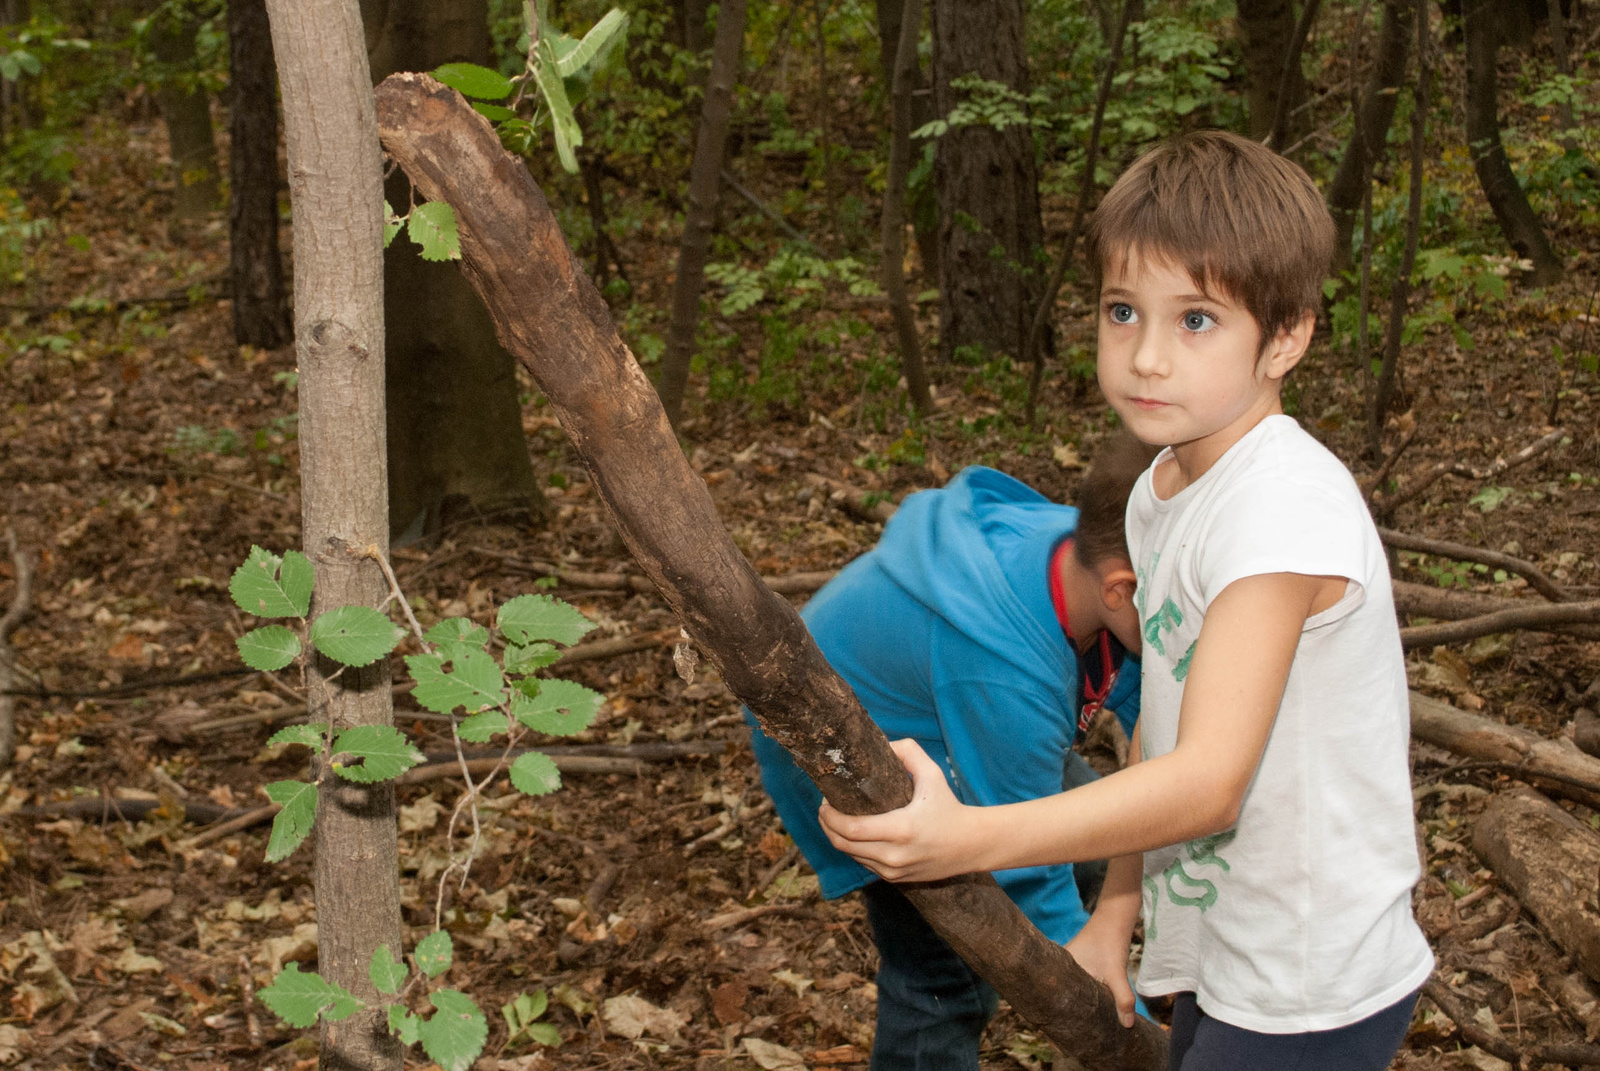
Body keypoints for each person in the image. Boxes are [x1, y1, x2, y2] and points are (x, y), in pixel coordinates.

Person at [819, 130, 1433, 1071]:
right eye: (1121, 311)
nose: (1146, 357)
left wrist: (965, 838)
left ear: (1287, 337)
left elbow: (1208, 779)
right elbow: (1168, 718)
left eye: (1195, 321)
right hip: (1227, 951)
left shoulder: (1283, 509)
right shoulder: (1161, 492)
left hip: (1309, 979)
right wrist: (1116, 914)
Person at [746, 433, 1156, 1071]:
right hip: (852, 757)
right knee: (945, 975)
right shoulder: (1005, 671)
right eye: (1186, 611)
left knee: (1102, 842)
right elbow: (1030, 867)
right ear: (1122, 591)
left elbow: (1153, 708)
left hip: (965, 720)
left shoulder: (1079, 555)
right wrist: (1100, 992)